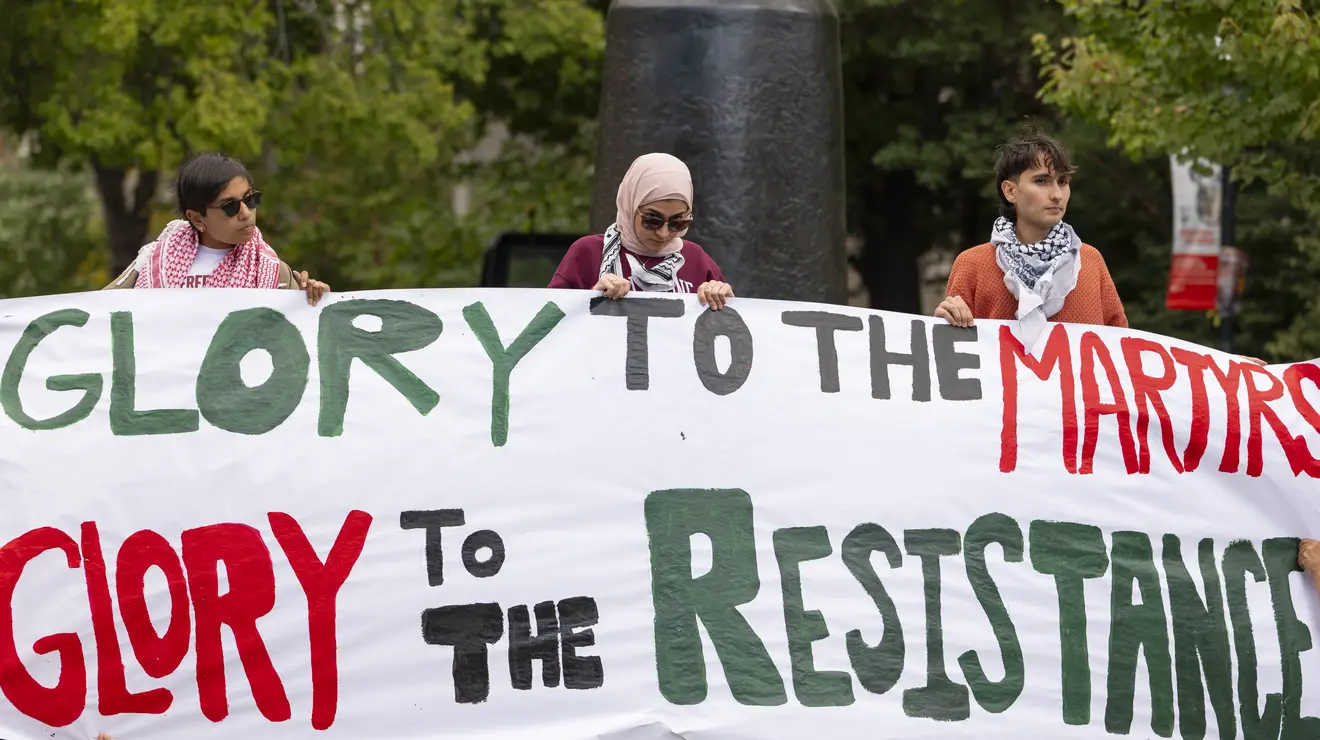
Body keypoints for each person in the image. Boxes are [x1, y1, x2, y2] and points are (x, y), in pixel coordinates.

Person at [935, 126, 1126, 344]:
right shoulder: (973, 264)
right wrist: (946, 322)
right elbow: (954, 352)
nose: (1056, 194)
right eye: (1041, 181)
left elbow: (1121, 350)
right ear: (1010, 191)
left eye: (1063, 181)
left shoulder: (1091, 261)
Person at [104, 152, 330, 305]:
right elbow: (98, 315)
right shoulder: (154, 263)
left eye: (250, 199)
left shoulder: (273, 273)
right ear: (197, 217)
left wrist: (316, 300)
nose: (245, 212)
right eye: (229, 206)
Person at [548, 152, 734, 310]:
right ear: (629, 206)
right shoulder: (588, 253)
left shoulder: (696, 259)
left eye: (678, 223)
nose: (663, 233)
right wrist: (592, 298)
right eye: (652, 220)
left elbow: (731, 330)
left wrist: (723, 298)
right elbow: (545, 323)